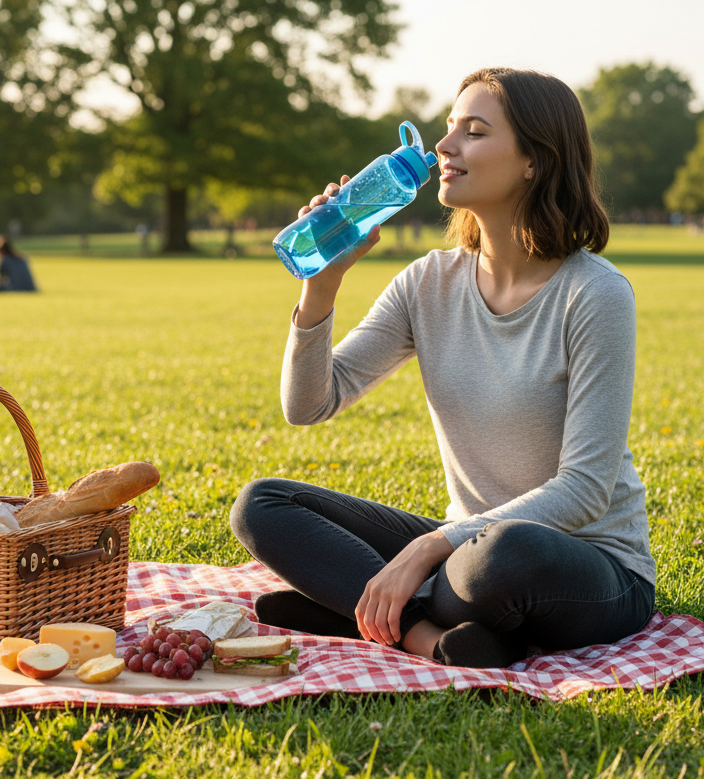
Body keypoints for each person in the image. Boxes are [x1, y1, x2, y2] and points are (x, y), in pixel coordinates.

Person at [230, 68, 656, 669]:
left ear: (535, 160)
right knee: (262, 504)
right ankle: (426, 637)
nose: (444, 148)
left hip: (581, 563)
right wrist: (321, 285)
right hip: (464, 554)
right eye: (449, 129)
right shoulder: (427, 283)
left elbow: (585, 489)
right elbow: (308, 405)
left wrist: (426, 548)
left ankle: (359, 604)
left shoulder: (594, 294)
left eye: (474, 132)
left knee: (504, 555)